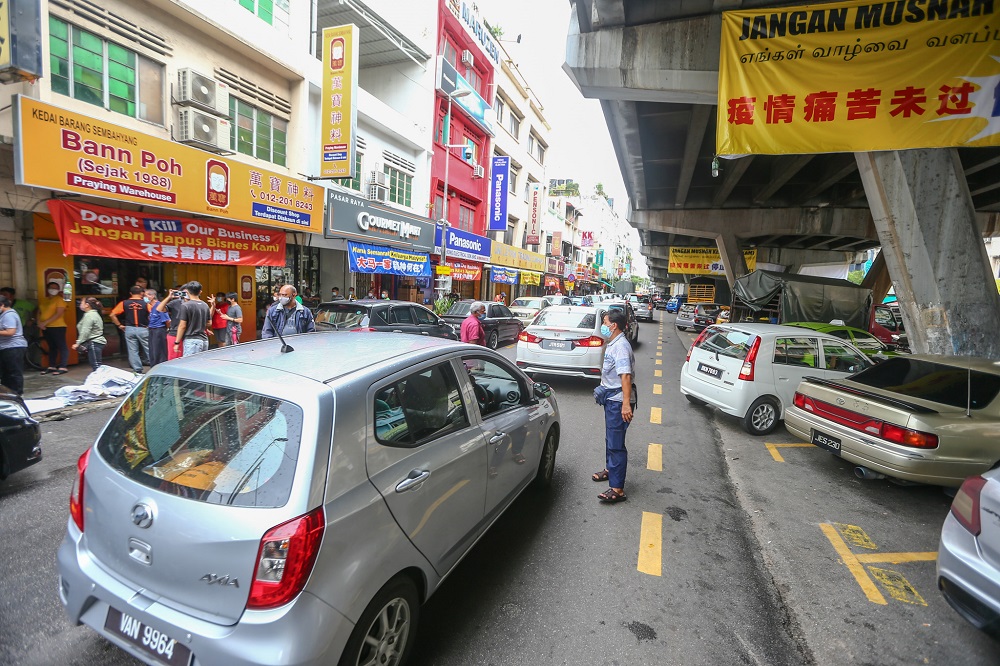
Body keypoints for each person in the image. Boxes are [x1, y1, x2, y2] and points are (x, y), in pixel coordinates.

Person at [594, 308, 634, 504]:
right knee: (610, 438)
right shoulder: (614, 343)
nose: (603, 325)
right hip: (611, 399)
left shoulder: (621, 347)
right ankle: (611, 470)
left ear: (614, 325)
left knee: (616, 443)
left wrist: (625, 404)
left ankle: (617, 489)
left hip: (618, 401)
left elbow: (625, 376)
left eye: (605, 322)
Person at [110, 286, 150, 374]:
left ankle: (137, 370)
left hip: (129, 329)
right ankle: (154, 366)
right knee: (149, 348)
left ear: (130, 293)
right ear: (142, 293)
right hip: (143, 329)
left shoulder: (124, 303)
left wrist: (119, 325)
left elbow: (112, 315)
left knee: (132, 350)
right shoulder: (146, 303)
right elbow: (153, 314)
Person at [37, 280, 70, 375]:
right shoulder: (44, 300)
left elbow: (58, 314)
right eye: (51, 288)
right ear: (47, 289)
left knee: (61, 346)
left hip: (58, 326)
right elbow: (39, 312)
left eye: (56, 288)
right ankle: (52, 366)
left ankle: (63, 366)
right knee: (52, 347)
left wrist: (45, 322)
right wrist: (39, 322)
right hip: (46, 327)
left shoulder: (59, 300)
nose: (53, 290)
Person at [174, 281, 211, 357]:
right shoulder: (205, 305)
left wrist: (177, 342)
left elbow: (182, 326)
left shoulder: (185, 305)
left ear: (187, 292)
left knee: (190, 362)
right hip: (204, 340)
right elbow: (209, 323)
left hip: (191, 340)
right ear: (200, 292)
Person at [0, 295, 27, 394]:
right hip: (5, 347)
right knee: (6, 374)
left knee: (14, 372)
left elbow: (10, 332)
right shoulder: (3, 315)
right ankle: (7, 394)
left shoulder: (9, 315)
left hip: (13, 347)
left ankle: (17, 394)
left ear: (2, 305)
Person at [72, 297, 107, 371]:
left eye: (81, 303)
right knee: (96, 365)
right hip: (96, 342)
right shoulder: (92, 314)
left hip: (94, 342)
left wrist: (78, 343)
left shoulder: (89, 315)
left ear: (87, 305)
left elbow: (85, 330)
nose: (80, 305)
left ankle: (100, 378)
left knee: (96, 366)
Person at [158, 286, 186, 361]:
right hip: (175, 333)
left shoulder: (196, 303)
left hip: (189, 335)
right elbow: (159, 309)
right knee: (174, 359)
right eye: (184, 293)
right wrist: (169, 297)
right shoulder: (176, 302)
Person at [146, 288, 169, 366]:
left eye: (146, 295)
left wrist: (166, 329)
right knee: (152, 350)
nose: (144, 298)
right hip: (152, 330)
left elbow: (167, 320)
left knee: (158, 351)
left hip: (159, 330)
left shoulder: (159, 305)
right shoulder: (152, 307)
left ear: (152, 296)